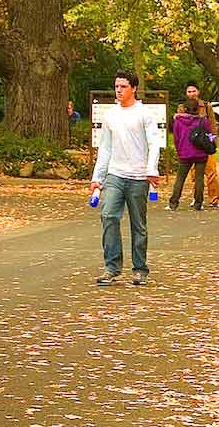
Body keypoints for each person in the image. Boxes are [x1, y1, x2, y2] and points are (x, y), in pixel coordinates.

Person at [91, 70, 161, 287]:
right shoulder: (110, 115)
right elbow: (105, 148)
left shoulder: (144, 114)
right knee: (109, 215)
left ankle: (140, 269)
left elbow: (154, 143)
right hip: (115, 173)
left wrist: (151, 169)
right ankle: (112, 267)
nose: (119, 90)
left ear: (133, 88)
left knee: (138, 224)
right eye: (116, 86)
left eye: (123, 86)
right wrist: (97, 177)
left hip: (139, 176)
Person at [169, 98, 211, 211]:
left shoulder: (178, 121)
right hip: (201, 153)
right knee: (199, 178)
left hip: (184, 154)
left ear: (185, 109)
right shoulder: (203, 121)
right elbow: (210, 135)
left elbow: (176, 139)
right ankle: (198, 203)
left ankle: (174, 202)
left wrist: (179, 151)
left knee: (180, 179)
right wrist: (212, 144)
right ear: (198, 108)